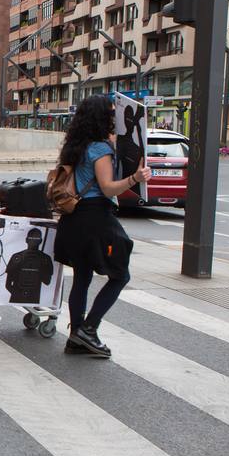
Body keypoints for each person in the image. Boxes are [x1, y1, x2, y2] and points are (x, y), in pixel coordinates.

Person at [52, 94, 150, 358]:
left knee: (82, 278)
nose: (113, 118)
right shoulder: (100, 149)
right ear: (101, 118)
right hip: (95, 218)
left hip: (73, 219)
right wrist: (134, 178)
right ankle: (89, 329)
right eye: (110, 114)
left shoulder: (76, 146)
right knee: (120, 275)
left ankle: (75, 337)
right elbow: (107, 189)